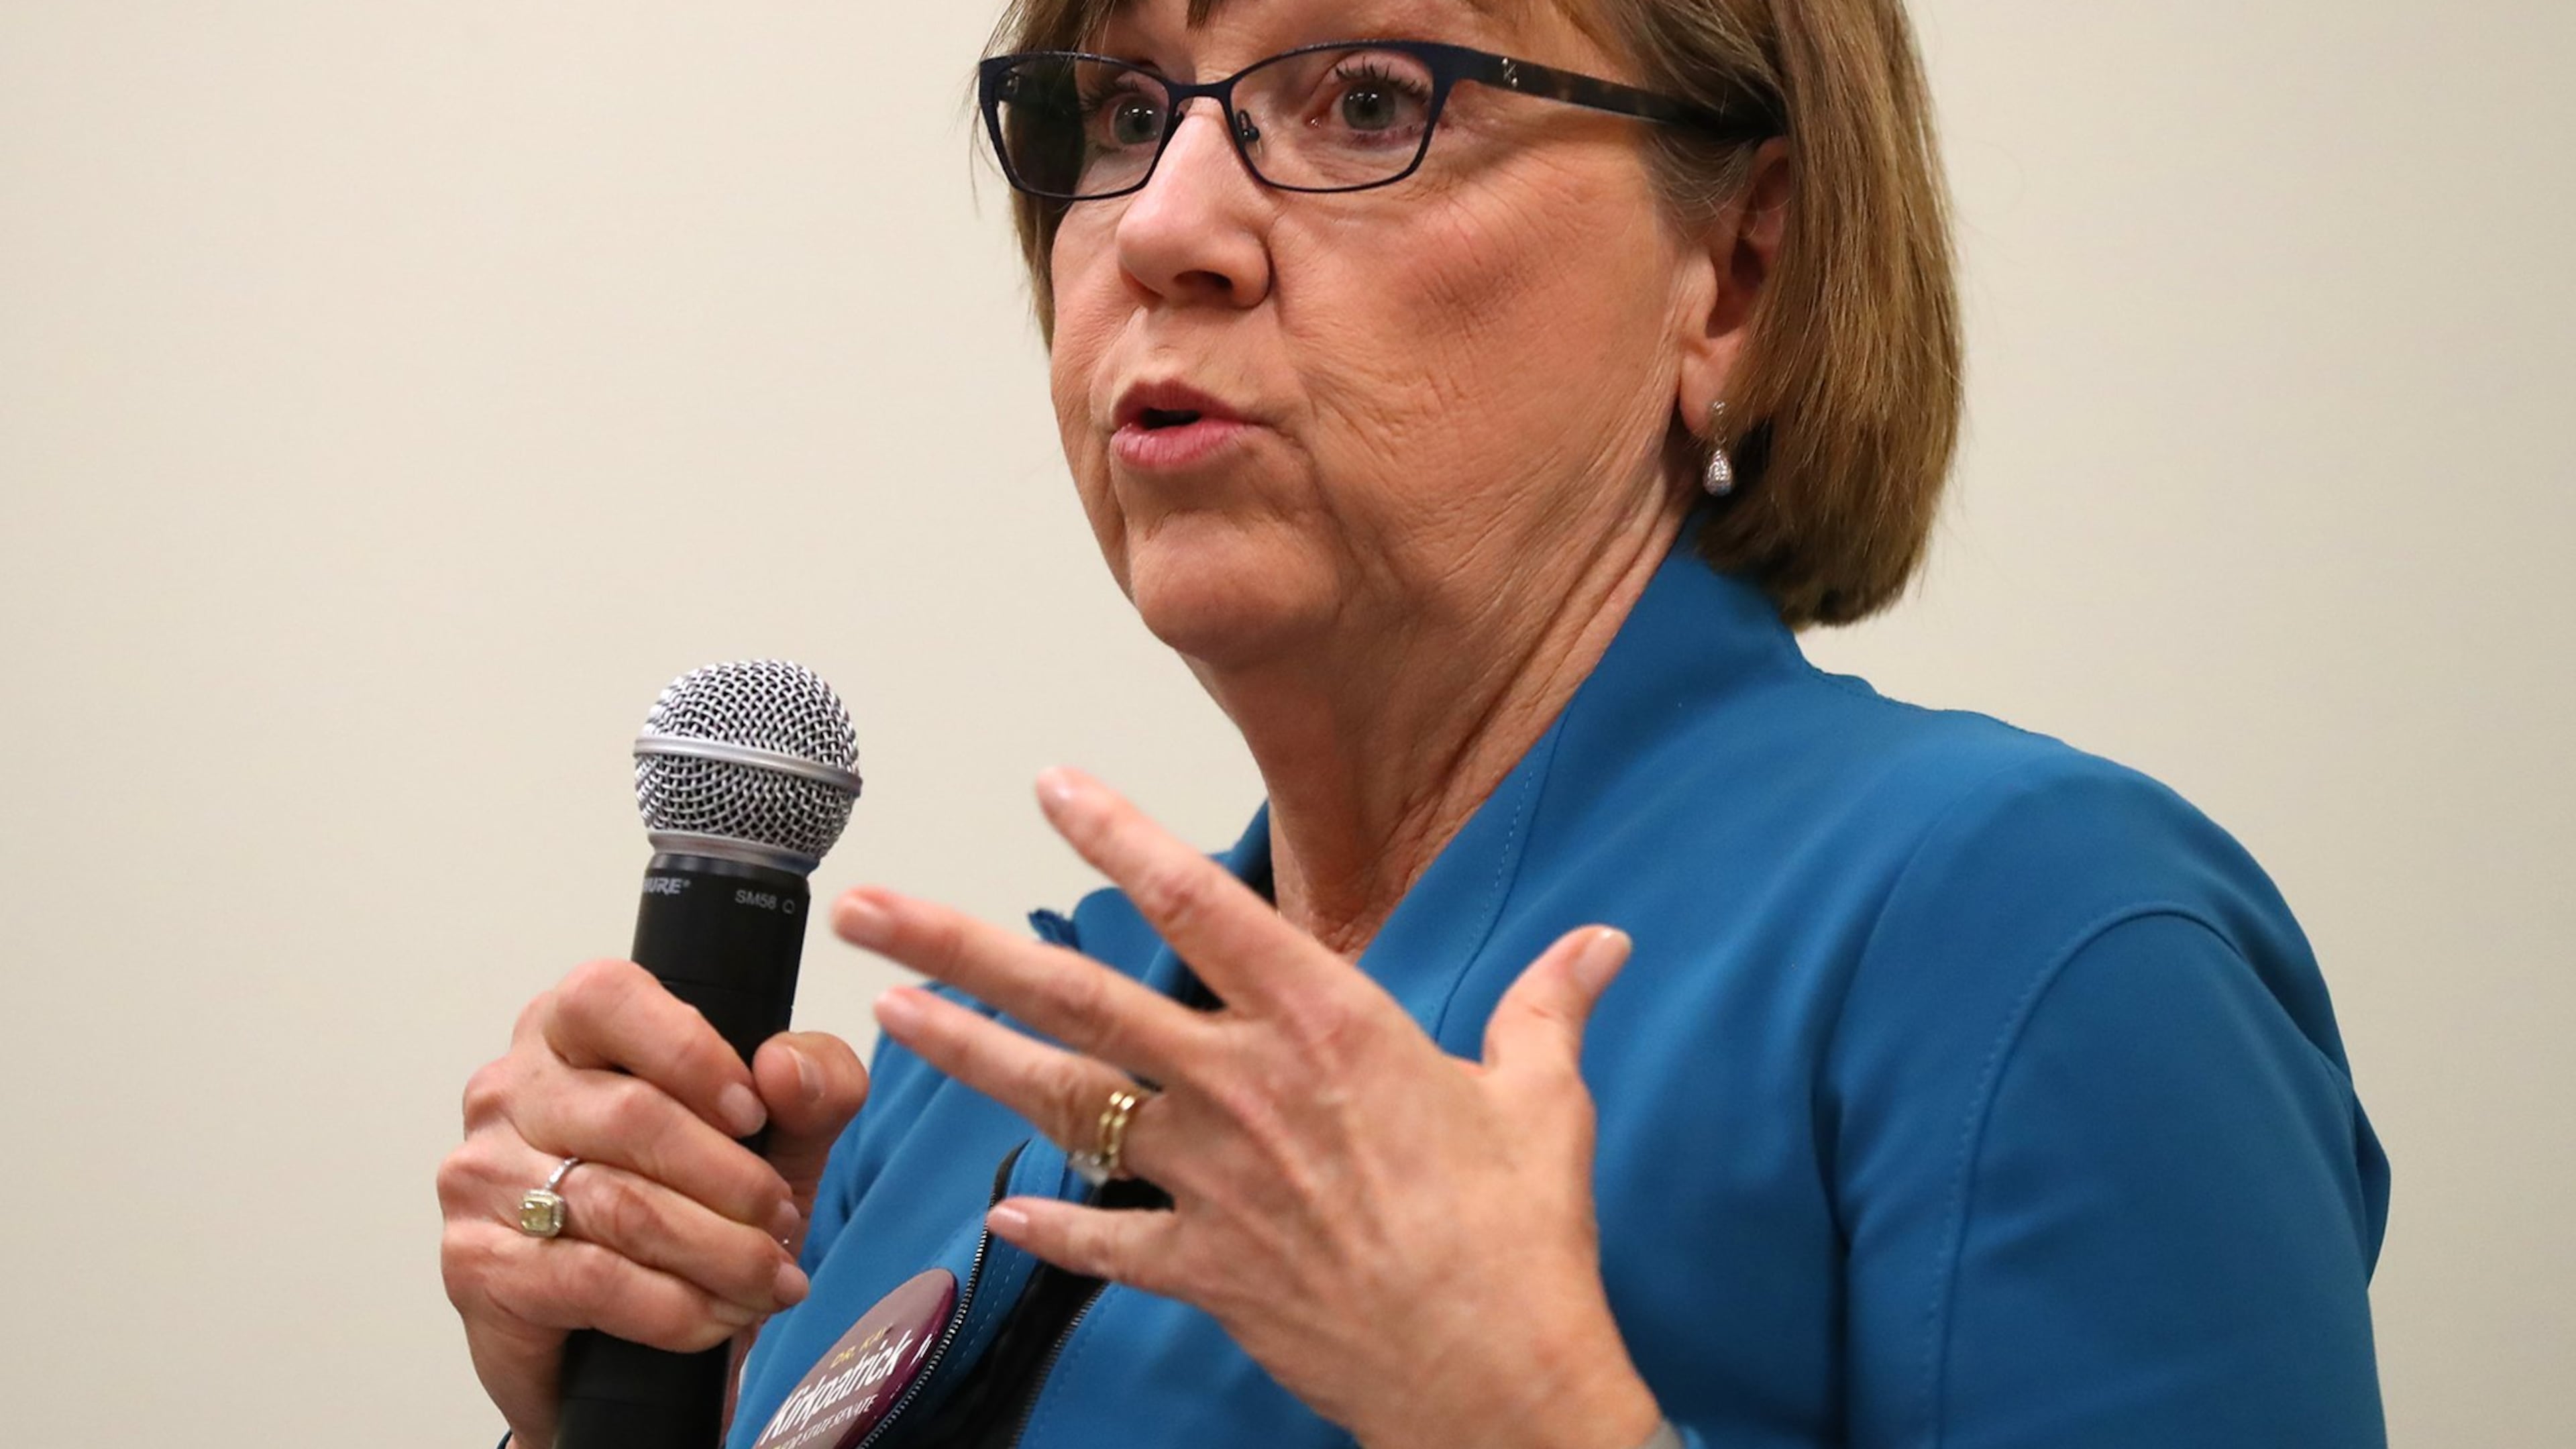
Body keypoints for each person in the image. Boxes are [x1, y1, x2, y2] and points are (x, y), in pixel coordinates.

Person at [437, 0, 2392, 1444]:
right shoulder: (974, 1085)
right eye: (1121, 111)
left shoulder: (2028, 940)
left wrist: (1522, 1419)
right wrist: (603, 1396)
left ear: (1736, 270)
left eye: (1369, 96)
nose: (1165, 225)